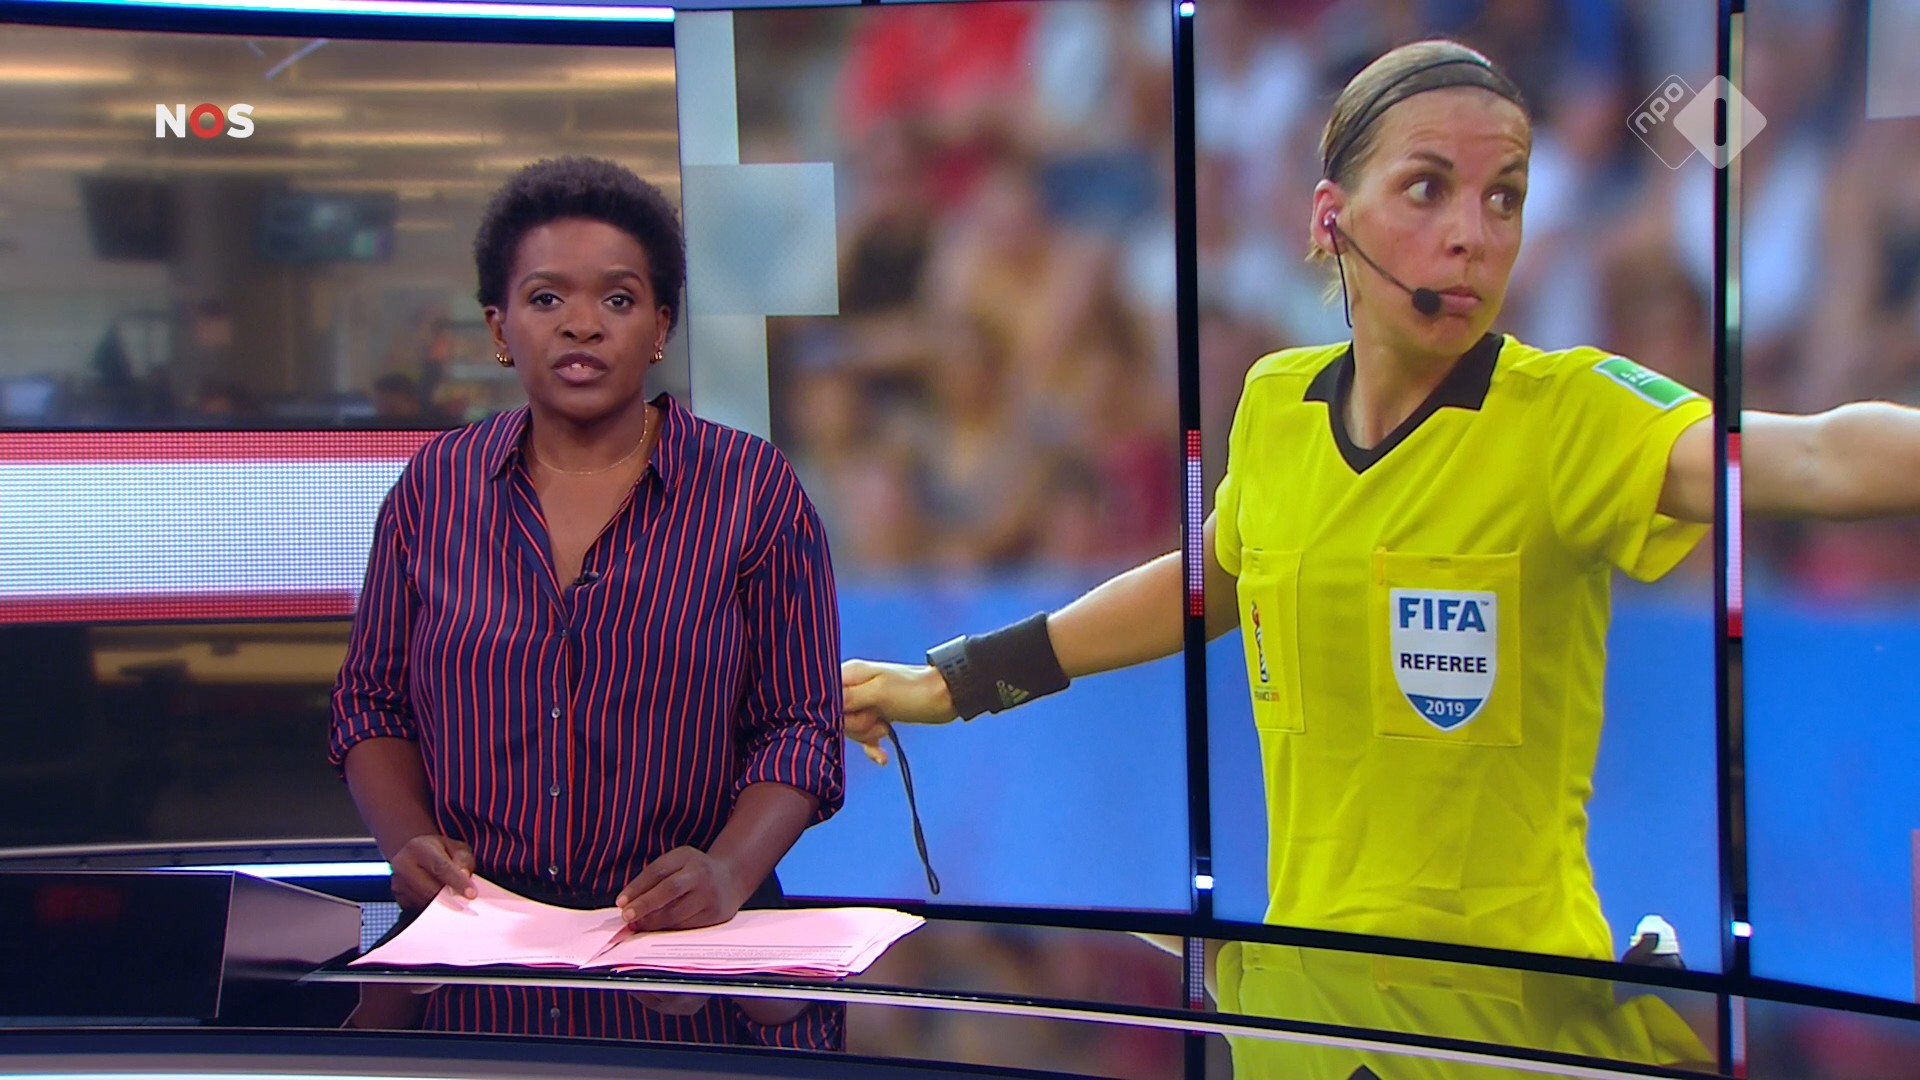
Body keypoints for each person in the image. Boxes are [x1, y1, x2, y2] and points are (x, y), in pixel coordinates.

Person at [839, 39, 1920, 1076]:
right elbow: (1211, 580)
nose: (1474, 235)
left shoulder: (1571, 415)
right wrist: (959, 679)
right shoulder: (1275, 403)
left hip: (1512, 1036)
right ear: (1331, 218)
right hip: (1303, 1025)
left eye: (1506, 197)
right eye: (1427, 189)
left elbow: (1816, 455)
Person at [329, 156, 844, 1045]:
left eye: (617, 298)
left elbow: (800, 725)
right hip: (473, 956)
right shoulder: (433, 489)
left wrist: (726, 872)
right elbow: (370, 703)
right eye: (545, 299)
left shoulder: (751, 488)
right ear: (499, 326)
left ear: (661, 326)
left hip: (691, 960)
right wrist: (406, 843)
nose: (582, 324)